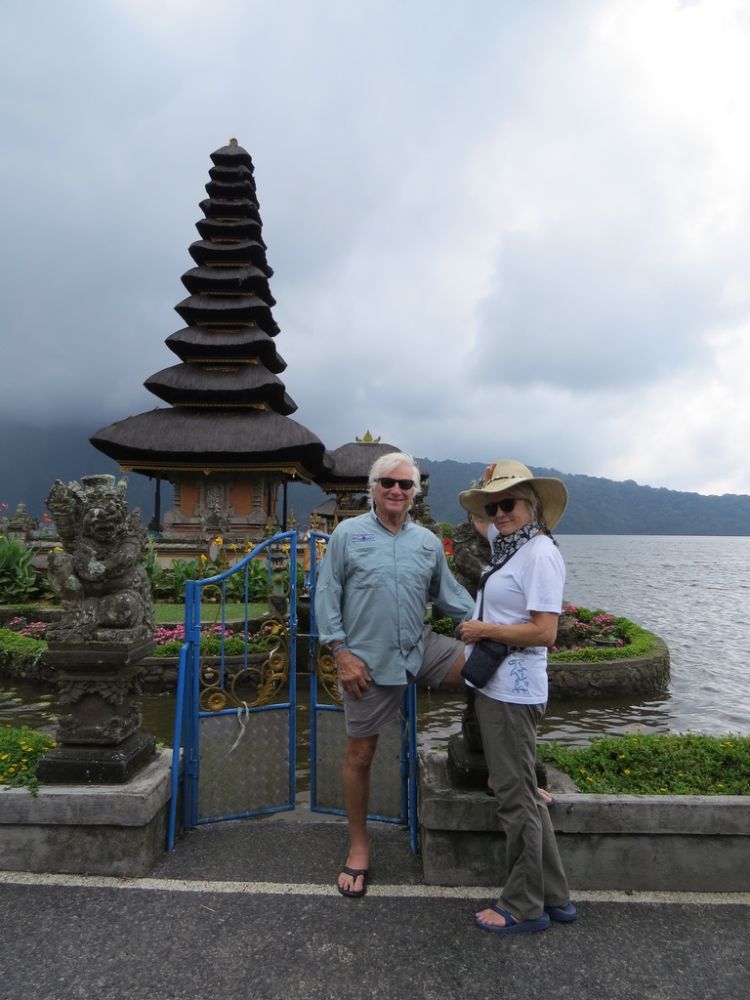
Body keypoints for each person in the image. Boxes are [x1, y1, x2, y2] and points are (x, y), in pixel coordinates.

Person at [315, 451, 474, 898]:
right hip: (366, 662)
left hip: (420, 648)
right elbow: (326, 596)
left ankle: (505, 770)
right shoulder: (348, 534)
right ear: (373, 487)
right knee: (360, 755)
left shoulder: (426, 541)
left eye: (405, 485)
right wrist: (341, 652)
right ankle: (359, 846)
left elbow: (452, 598)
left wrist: (501, 625)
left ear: (415, 493)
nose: (397, 490)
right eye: (388, 482)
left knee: (488, 669)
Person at [457, 459, 577, 935]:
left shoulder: (540, 553)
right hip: (498, 686)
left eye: (509, 503)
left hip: (513, 692)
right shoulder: (510, 546)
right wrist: (487, 483)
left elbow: (546, 632)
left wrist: (483, 628)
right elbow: (480, 521)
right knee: (523, 793)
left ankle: (524, 905)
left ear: (533, 507)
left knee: (515, 799)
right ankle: (556, 896)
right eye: (494, 505)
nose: (499, 513)